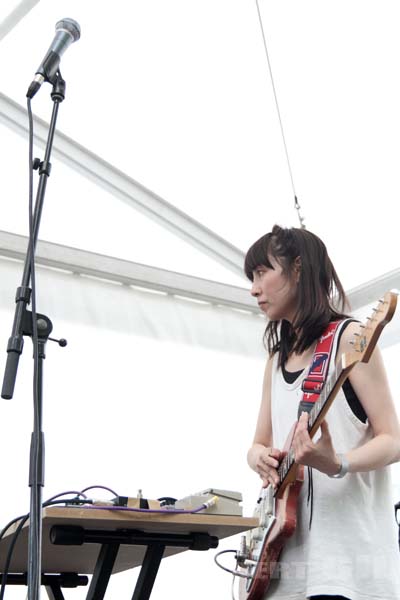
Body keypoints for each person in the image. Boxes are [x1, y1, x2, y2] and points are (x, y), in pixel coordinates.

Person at [245, 224, 400, 600]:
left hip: (346, 566)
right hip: (285, 568)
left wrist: (338, 462)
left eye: (263, 272)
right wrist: (259, 458)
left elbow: (393, 440)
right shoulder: (275, 360)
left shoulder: (349, 340)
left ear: (298, 268)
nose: (254, 288)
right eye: (251, 277)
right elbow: (258, 444)